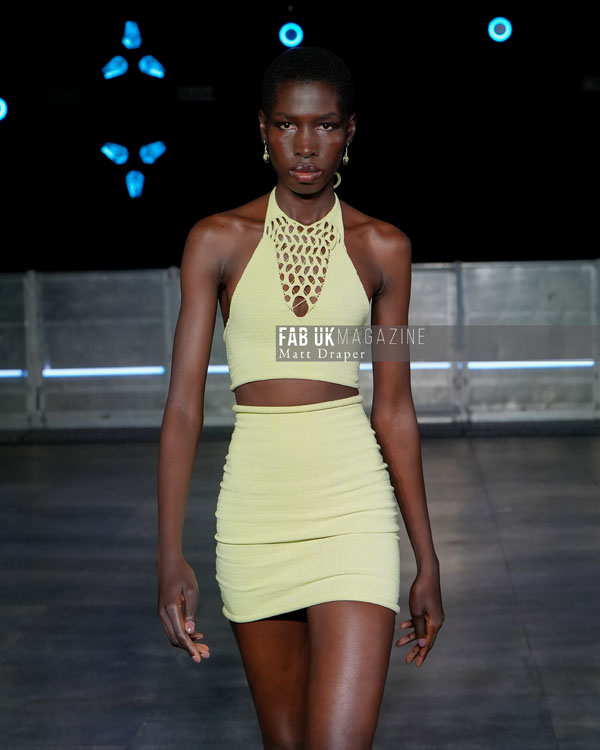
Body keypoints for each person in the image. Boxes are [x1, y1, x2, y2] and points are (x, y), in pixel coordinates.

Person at [156, 46, 444, 750]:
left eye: (325, 125)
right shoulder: (215, 241)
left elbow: (394, 408)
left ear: (350, 131)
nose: (306, 145)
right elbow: (183, 408)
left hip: (353, 509)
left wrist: (427, 558)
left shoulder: (383, 247)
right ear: (262, 128)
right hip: (255, 512)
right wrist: (168, 553)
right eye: (288, 124)